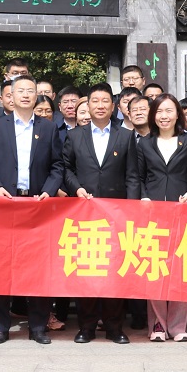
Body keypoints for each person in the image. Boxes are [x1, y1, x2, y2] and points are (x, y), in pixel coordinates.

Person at [0, 75, 65, 344]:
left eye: (30, 90)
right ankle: (1, 327)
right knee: (1, 267)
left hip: (37, 206)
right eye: (20, 91)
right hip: (5, 205)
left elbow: (58, 166)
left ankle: (38, 327)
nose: (26, 95)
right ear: (10, 96)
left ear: (37, 95)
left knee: (38, 267)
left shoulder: (48, 128)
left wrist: (48, 190)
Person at [62, 83, 137, 345]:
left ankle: (115, 327)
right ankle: (87, 326)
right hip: (85, 213)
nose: (100, 106)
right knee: (87, 268)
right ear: (88, 105)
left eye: (105, 101)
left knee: (115, 270)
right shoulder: (75, 136)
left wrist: (131, 209)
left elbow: (132, 175)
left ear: (113, 106)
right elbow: (66, 169)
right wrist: (76, 188)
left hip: (117, 214)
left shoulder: (126, 136)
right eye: (95, 101)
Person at [127, 93, 187, 342]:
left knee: (180, 269)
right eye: (159, 111)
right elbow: (138, 176)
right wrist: (144, 197)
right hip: (153, 215)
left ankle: (179, 326)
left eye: (169, 110)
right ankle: (158, 324)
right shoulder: (144, 144)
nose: (164, 116)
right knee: (155, 268)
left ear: (177, 114)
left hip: (183, 212)